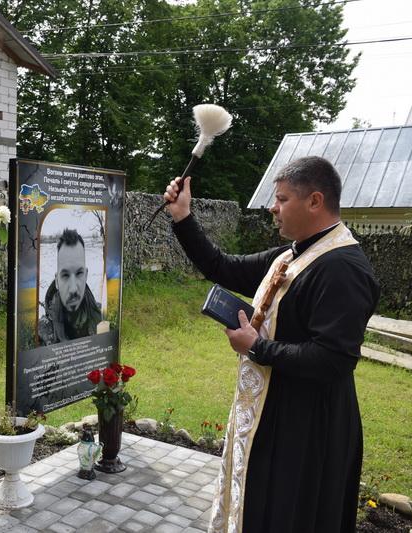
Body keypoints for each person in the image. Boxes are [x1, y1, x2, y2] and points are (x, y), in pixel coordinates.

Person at [164, 156, 380, 533]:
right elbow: (221, 267)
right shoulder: (292, 254)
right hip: (275, 413)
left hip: (309, 428)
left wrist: (256, 347)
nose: (272, 207)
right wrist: (183, 217)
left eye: (281, 199)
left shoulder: (342, 268)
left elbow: (333, 360)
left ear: (314, 201)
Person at [38, 228, 102, 345]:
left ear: (86, 275)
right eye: (65, 275)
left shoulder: (103, 317)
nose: (73, 289)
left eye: (79, 273)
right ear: (57, 281)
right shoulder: (41, 334)